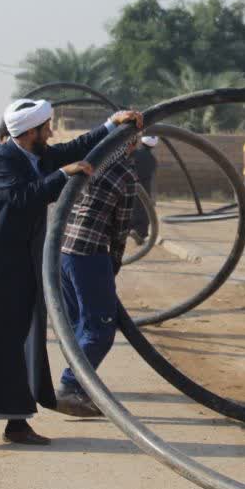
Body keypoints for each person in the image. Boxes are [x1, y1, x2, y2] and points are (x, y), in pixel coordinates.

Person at [0, 99, 142, 445]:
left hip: (24, 261)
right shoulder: (3, 159)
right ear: (30, 131)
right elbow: (23, 197)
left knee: (20, 339)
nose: (51, 132)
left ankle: (17, 423)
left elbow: (72, 149)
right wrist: (64, 175)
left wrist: (112, 126)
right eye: (46, 127)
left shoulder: (34, 154)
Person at [53, 137, 144, 418]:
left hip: (62, 252)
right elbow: (121, 225)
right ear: (129, 145)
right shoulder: (126, 173)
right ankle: (72, 386)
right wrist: (114, 262)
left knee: (78, 323)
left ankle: (80, 385)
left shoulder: (92, 164)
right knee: (100, 328)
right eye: (134, 141)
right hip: (88, 253)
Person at [130, 134, 159, 244]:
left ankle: (129, 230)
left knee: (129, 209)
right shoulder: (152, 160)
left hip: (130, 186)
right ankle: (140, 235)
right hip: (144, 190)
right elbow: (152, 176)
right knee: (143, 212)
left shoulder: (133, 154)